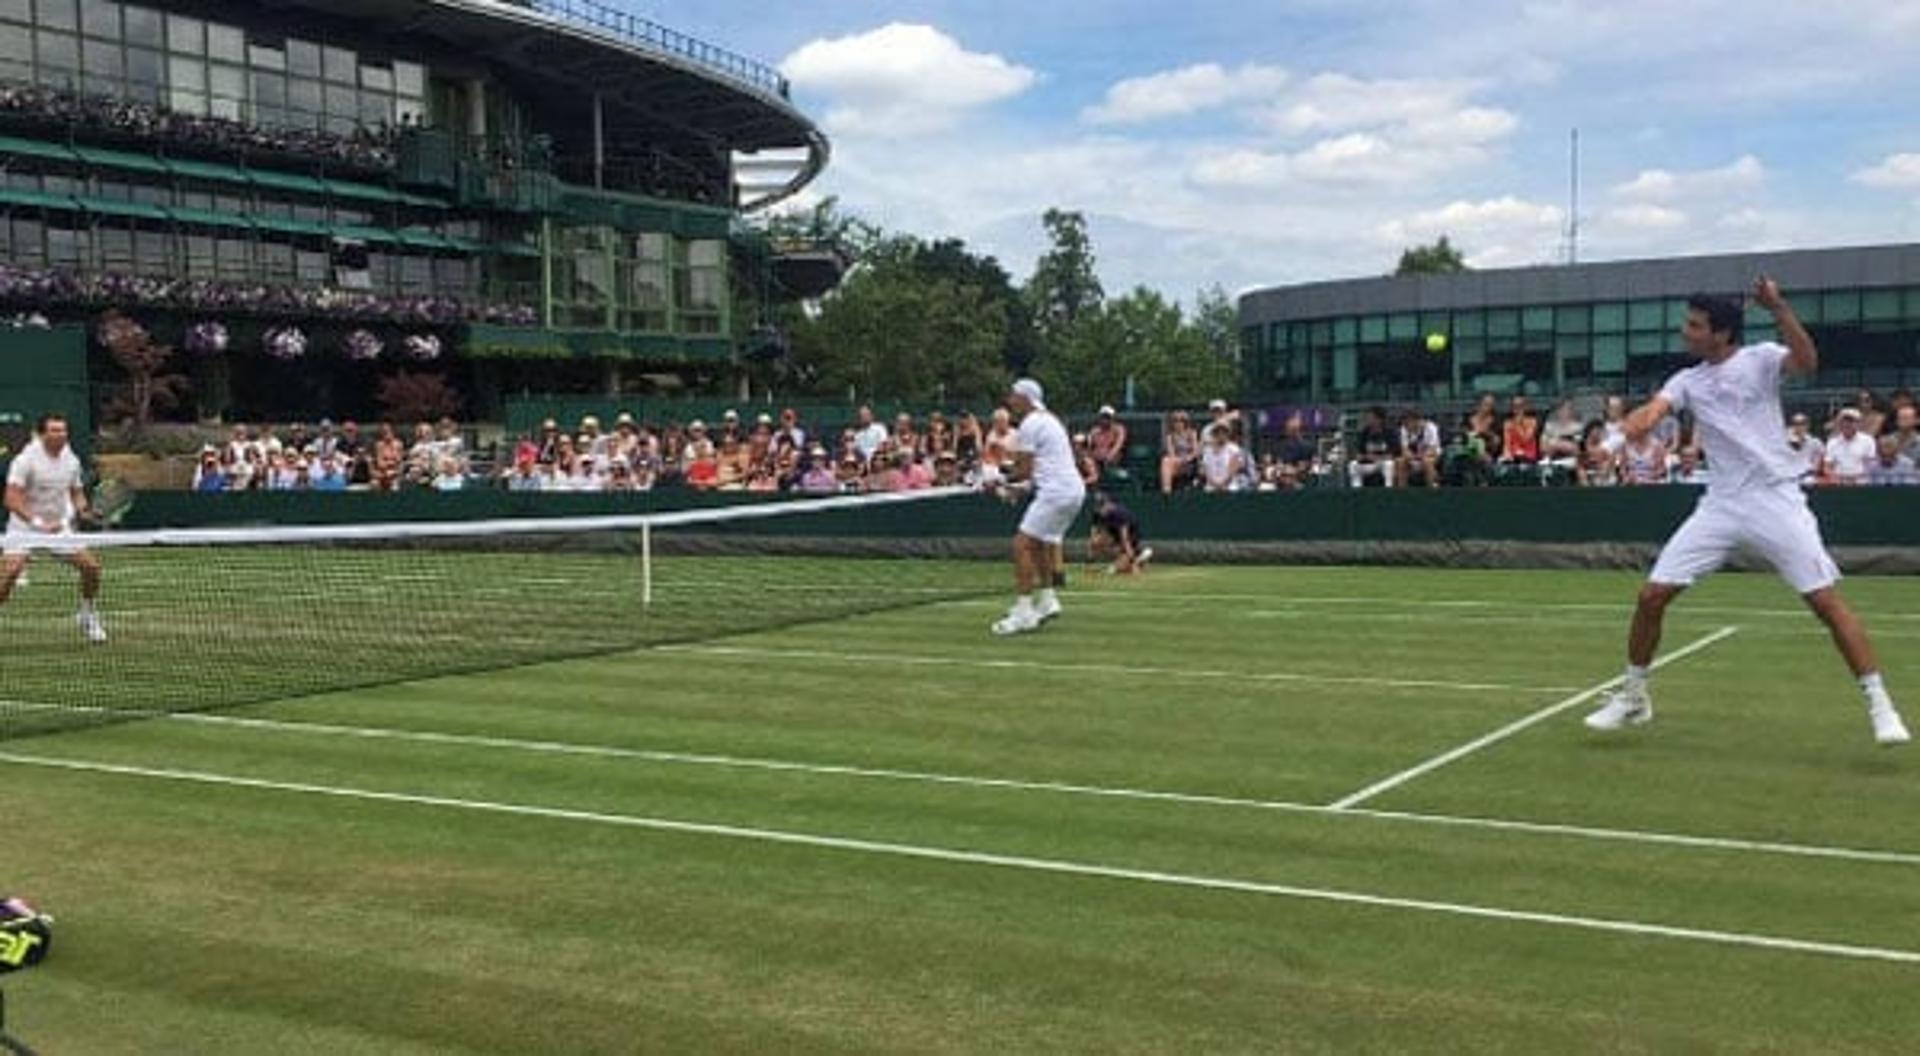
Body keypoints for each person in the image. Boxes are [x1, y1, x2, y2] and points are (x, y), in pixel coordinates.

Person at [1584, 281, 1908, 746]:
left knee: (1825, 603)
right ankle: (1634, 695)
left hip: (1776, 500)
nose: (1685, 332)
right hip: (1720, 504)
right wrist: (1613, 442)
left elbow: (1807, 361)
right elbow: (1651, 414)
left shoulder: (1760, 359)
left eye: (1695, 325)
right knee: (1651, 596)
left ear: (1722, 334)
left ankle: (1881, 705)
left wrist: (1778, 308)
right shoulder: (1686, 380)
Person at [991, 378, 1085, 636]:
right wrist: (1012, 487)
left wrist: (996, 480)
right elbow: (1036, 473)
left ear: (1026, 398)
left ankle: (1023, 613)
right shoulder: (1050, 420)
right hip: (1072, 491)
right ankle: (1046, 600)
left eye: (1014, 396)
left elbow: (1024, 470)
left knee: (1021, 544)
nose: (1010, 401)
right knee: (1041, 543)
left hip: (1057, 492)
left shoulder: (1031, 424)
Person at [1, 414, 106, 643]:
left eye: (63, 431)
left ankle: (87, 614)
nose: (60, 435)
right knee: (7, 578)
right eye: (54, 431)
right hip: (24, 528)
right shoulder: (25, 460)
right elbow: (11, 499)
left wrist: (84, 510)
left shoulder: (71, 460)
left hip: (60, 528)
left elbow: (76, 492)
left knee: (92, 568)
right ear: (41, 434)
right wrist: (38, 523)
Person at [1088, 492, 1153, 575]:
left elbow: (1125, 539)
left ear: (1109, 504)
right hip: (1115, 537)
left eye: (1102, 506)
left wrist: (1132, 563)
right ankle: (1133, 558)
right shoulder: (1098, 513)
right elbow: (1095, 534)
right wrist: (1090, 561)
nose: (1099, 509)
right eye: (1098, 506)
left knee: (1114, 570)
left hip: (1130, 540)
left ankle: (1138, 557)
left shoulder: (1120, 515)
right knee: (1095, 541)